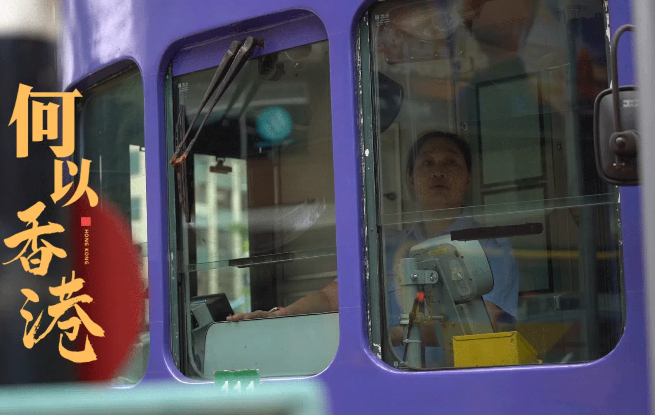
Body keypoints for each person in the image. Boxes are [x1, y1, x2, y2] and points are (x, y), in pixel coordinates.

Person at [228, 131, 519, 340]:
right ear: (411, 180)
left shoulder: (490, 245)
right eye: (426, 163)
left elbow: (486, 322)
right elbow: (333, 297)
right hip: (398, 383)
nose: (438, 172)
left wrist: (390, 337)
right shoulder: (390, 247)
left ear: (468, 178)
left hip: (466, 384)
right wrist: (279, 315)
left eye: (450, 162)